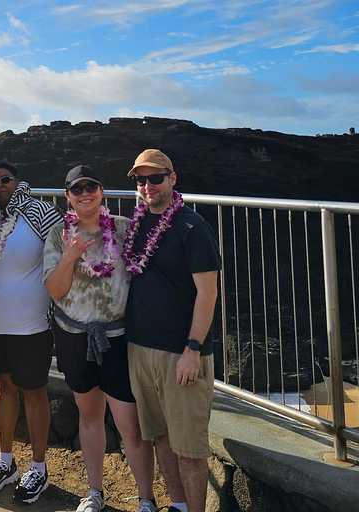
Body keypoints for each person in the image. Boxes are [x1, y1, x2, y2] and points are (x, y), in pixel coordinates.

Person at [43, 165, 157, 512]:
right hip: (75, 336)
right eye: (77, 189)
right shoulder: (57, 236)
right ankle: (94, 493)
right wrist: (70, 256)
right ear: (68, 197)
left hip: (119, 339)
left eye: (91, 186)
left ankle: (146, 500)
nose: (85, 194)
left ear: (102, 190)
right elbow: (55, 291)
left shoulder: (124, 230)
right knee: (89, 415)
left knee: (129, 424)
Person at [122, 149, 221, 512]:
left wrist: (193, 348)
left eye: (156, 178)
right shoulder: (136, 224)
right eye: (140, 180)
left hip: (181, 353)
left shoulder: (192, 228)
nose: (148, 186)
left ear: (172, 179)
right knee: (160, 437)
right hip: (140, 348)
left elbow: (208, 292)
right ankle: (177, 505)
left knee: (190, 450)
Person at [0, 161, 62, 504]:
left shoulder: (39, 211)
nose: (0, 184)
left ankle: (39, 468)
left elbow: (66, 246)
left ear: (18, 180)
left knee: (34, 391)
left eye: (5, 179)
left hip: (33, 325)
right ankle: (6, 461)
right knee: (4, 386)